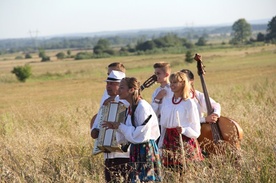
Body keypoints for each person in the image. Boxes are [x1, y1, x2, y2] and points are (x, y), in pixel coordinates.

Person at [103, 77, 162, 182]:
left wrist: (119, 126)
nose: (118, 91)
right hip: (136, 149)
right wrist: (117, 127)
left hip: (145, 149)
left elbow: (140, 135)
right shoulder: (131, 106)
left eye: (121, 88)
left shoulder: (142, 107)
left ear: (131, 90)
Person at [158, 71, 204, 173]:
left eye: (175, 82)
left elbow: (196, 127)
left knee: (185, 171)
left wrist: (184, 129)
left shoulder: (189, 103)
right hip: (168, 140)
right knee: (169, 171)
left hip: (184, 140)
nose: (172, 85)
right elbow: (164, 125)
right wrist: (161, 143)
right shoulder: (167, 101)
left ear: (183, 83)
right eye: (171, 82)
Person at [91, 70, 130, 183]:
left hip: (124, 154)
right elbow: (94, 131)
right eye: (108, 83)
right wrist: (97, 131)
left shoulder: (128, 104)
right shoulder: (105, 104)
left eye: (113, 84)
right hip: (108, 155)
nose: (108, 86)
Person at [90, 62, 126, 134]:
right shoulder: (107, 91)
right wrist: (94, 128)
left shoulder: (128, 92)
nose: (110, 76)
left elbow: (128, 102)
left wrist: (116, 98)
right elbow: (101, 111)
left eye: (112, 73)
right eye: (109, 74)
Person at [151, 62, 173, 144]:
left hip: (170, 126)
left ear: (166, 74)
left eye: (158, 73)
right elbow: (152, 112)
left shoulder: (173, 90)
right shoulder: (156, 92)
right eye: (155, 73)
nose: (156, 76)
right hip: (159, 125)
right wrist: (157, 99)